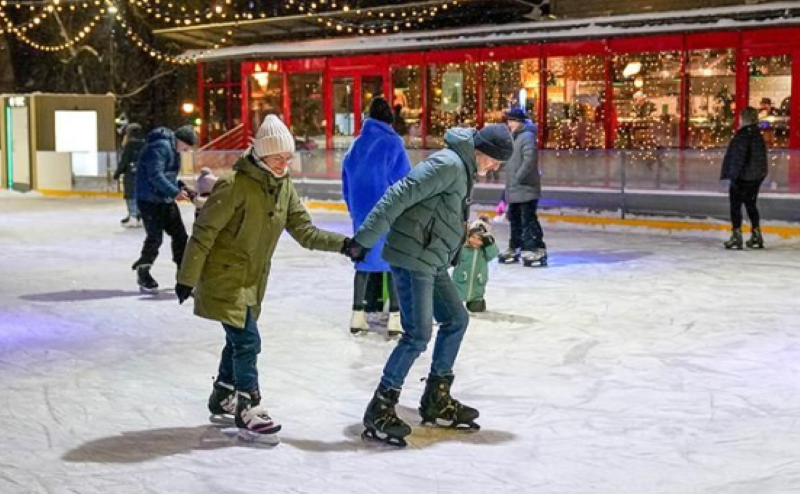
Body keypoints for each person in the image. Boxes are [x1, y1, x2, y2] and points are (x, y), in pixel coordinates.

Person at [175, 115, 349, 444]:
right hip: (224, 279)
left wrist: (345, 244)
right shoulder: (234, 185)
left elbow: (305, 231)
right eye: (277, 157)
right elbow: (203, 233)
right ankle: (247, 407)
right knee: (247, 341)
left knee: (238, 340)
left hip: (254, 281)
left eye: (288, 158)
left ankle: (223, 393)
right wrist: (187, 278)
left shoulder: (283, 188)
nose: (285, 164)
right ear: (260, 154)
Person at [342, 124, 514, 446]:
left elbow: (438, 215)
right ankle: (380, 407)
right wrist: (362, 240)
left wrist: (463, 236)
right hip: (412, 256)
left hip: (430, 258)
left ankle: (436, 397)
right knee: (417, 334)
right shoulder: (447, 164)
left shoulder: (462, 169)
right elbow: (398, 194)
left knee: (456, 319)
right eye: (494, 161)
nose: (494, 168)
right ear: (481, 151)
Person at [342, 97, 411, 336]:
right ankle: (394, 317)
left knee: (363, 262)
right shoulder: (393, 143)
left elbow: (346, 182)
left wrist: (354, 210)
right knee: (392, 262)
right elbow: (404, 182)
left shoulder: (356, 145)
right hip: (388, 211)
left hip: (362, 213)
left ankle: (357, 315)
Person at [132, 125, 197, 292]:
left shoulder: (172, 149)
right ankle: (143, 271)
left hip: (164, 199)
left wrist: (183, 188)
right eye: (187, 146)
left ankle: (183, 275)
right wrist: (175, 192)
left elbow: (169, 176)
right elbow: (155, 175)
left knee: (180, 236)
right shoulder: (160, 147)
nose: (187, 150)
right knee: (155, 237)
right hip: (149, 200)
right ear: (180, 140)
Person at [498, 107, 547, 267]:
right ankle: (515, 246)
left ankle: (534, 248)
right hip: (514, 187)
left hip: (525, 186)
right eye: (508, 121)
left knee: (528, 218)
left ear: (519, 122)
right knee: (514, 218)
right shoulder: (514, 137)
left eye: (511, 121)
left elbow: (529, 160)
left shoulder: (527, 136)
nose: (509, 124)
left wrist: (518, 177)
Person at [720, 106, 768, 250]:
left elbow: (738, 158)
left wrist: (733, 176)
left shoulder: (742, 135)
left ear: (744, 119)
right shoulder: (757, 135)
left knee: (735, 206)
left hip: (742, 178)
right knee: (751, 204)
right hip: (755, 178)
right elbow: (760, 159)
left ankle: (736, 235)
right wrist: (759, 175)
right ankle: (756, 233)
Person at [453, 216, 499, 313]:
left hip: (477, 283)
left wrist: (490, 244)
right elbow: (452, 257)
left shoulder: (484, 251)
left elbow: (493, 254)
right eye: (472, 237)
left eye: (479, 239)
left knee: (477, 308)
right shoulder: (463, 248)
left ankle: (475, 302)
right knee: (454, 305)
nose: (475, 241)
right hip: (461, 282)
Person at [113, 123, 145, 227]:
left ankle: (133, 216)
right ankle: (138, 216)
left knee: (131, 196)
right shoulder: (144, 144)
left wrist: (117, 173)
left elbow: (124, 161)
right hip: (143, 175)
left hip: (131, 175)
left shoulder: (130, 145)